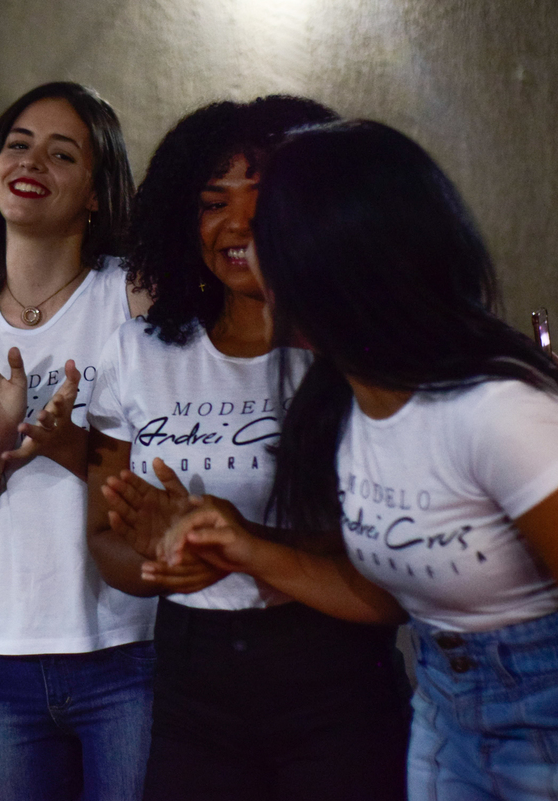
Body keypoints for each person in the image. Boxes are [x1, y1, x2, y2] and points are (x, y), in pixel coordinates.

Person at [157, 120, 558, 801]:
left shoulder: (495, 410)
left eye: (266, 223)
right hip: (446, 717)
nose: (244, 240)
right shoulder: (340, 402)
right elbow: (399, 590)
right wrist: (247, 549)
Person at [86, 98, 409, 801]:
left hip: (335, 677)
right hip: (191, 684)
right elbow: (104, 539)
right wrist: (163, 563)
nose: (238, 223)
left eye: (263, 198)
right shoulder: (138, 352)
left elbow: (394, 557)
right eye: (213, 203)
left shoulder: (359, 353)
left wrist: (240, 542)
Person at [0, 81, 156, 801]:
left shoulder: (133, 296)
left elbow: (169, 477)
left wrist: (67, 444)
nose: (31, 162)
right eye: (17, 145)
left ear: (97, 193)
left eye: (62, 153)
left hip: (124, 650)